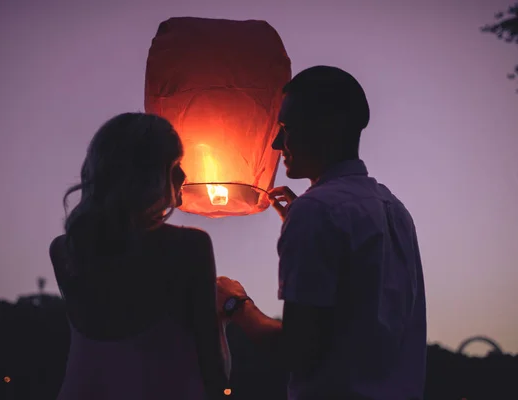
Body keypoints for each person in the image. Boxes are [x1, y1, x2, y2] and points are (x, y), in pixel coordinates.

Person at [217, 66, 427, 400]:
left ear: (328, 126)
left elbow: (297, 352)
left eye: (286, 128)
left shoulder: (317, 212)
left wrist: (234, 303)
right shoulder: (393, 209)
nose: (276, 143)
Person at [49, 113, 230, 400]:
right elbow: (213, 369)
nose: (184, 176)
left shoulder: (64, 250)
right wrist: (223, 313)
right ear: (147, 176)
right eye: (175, 165)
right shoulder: (189, 246)